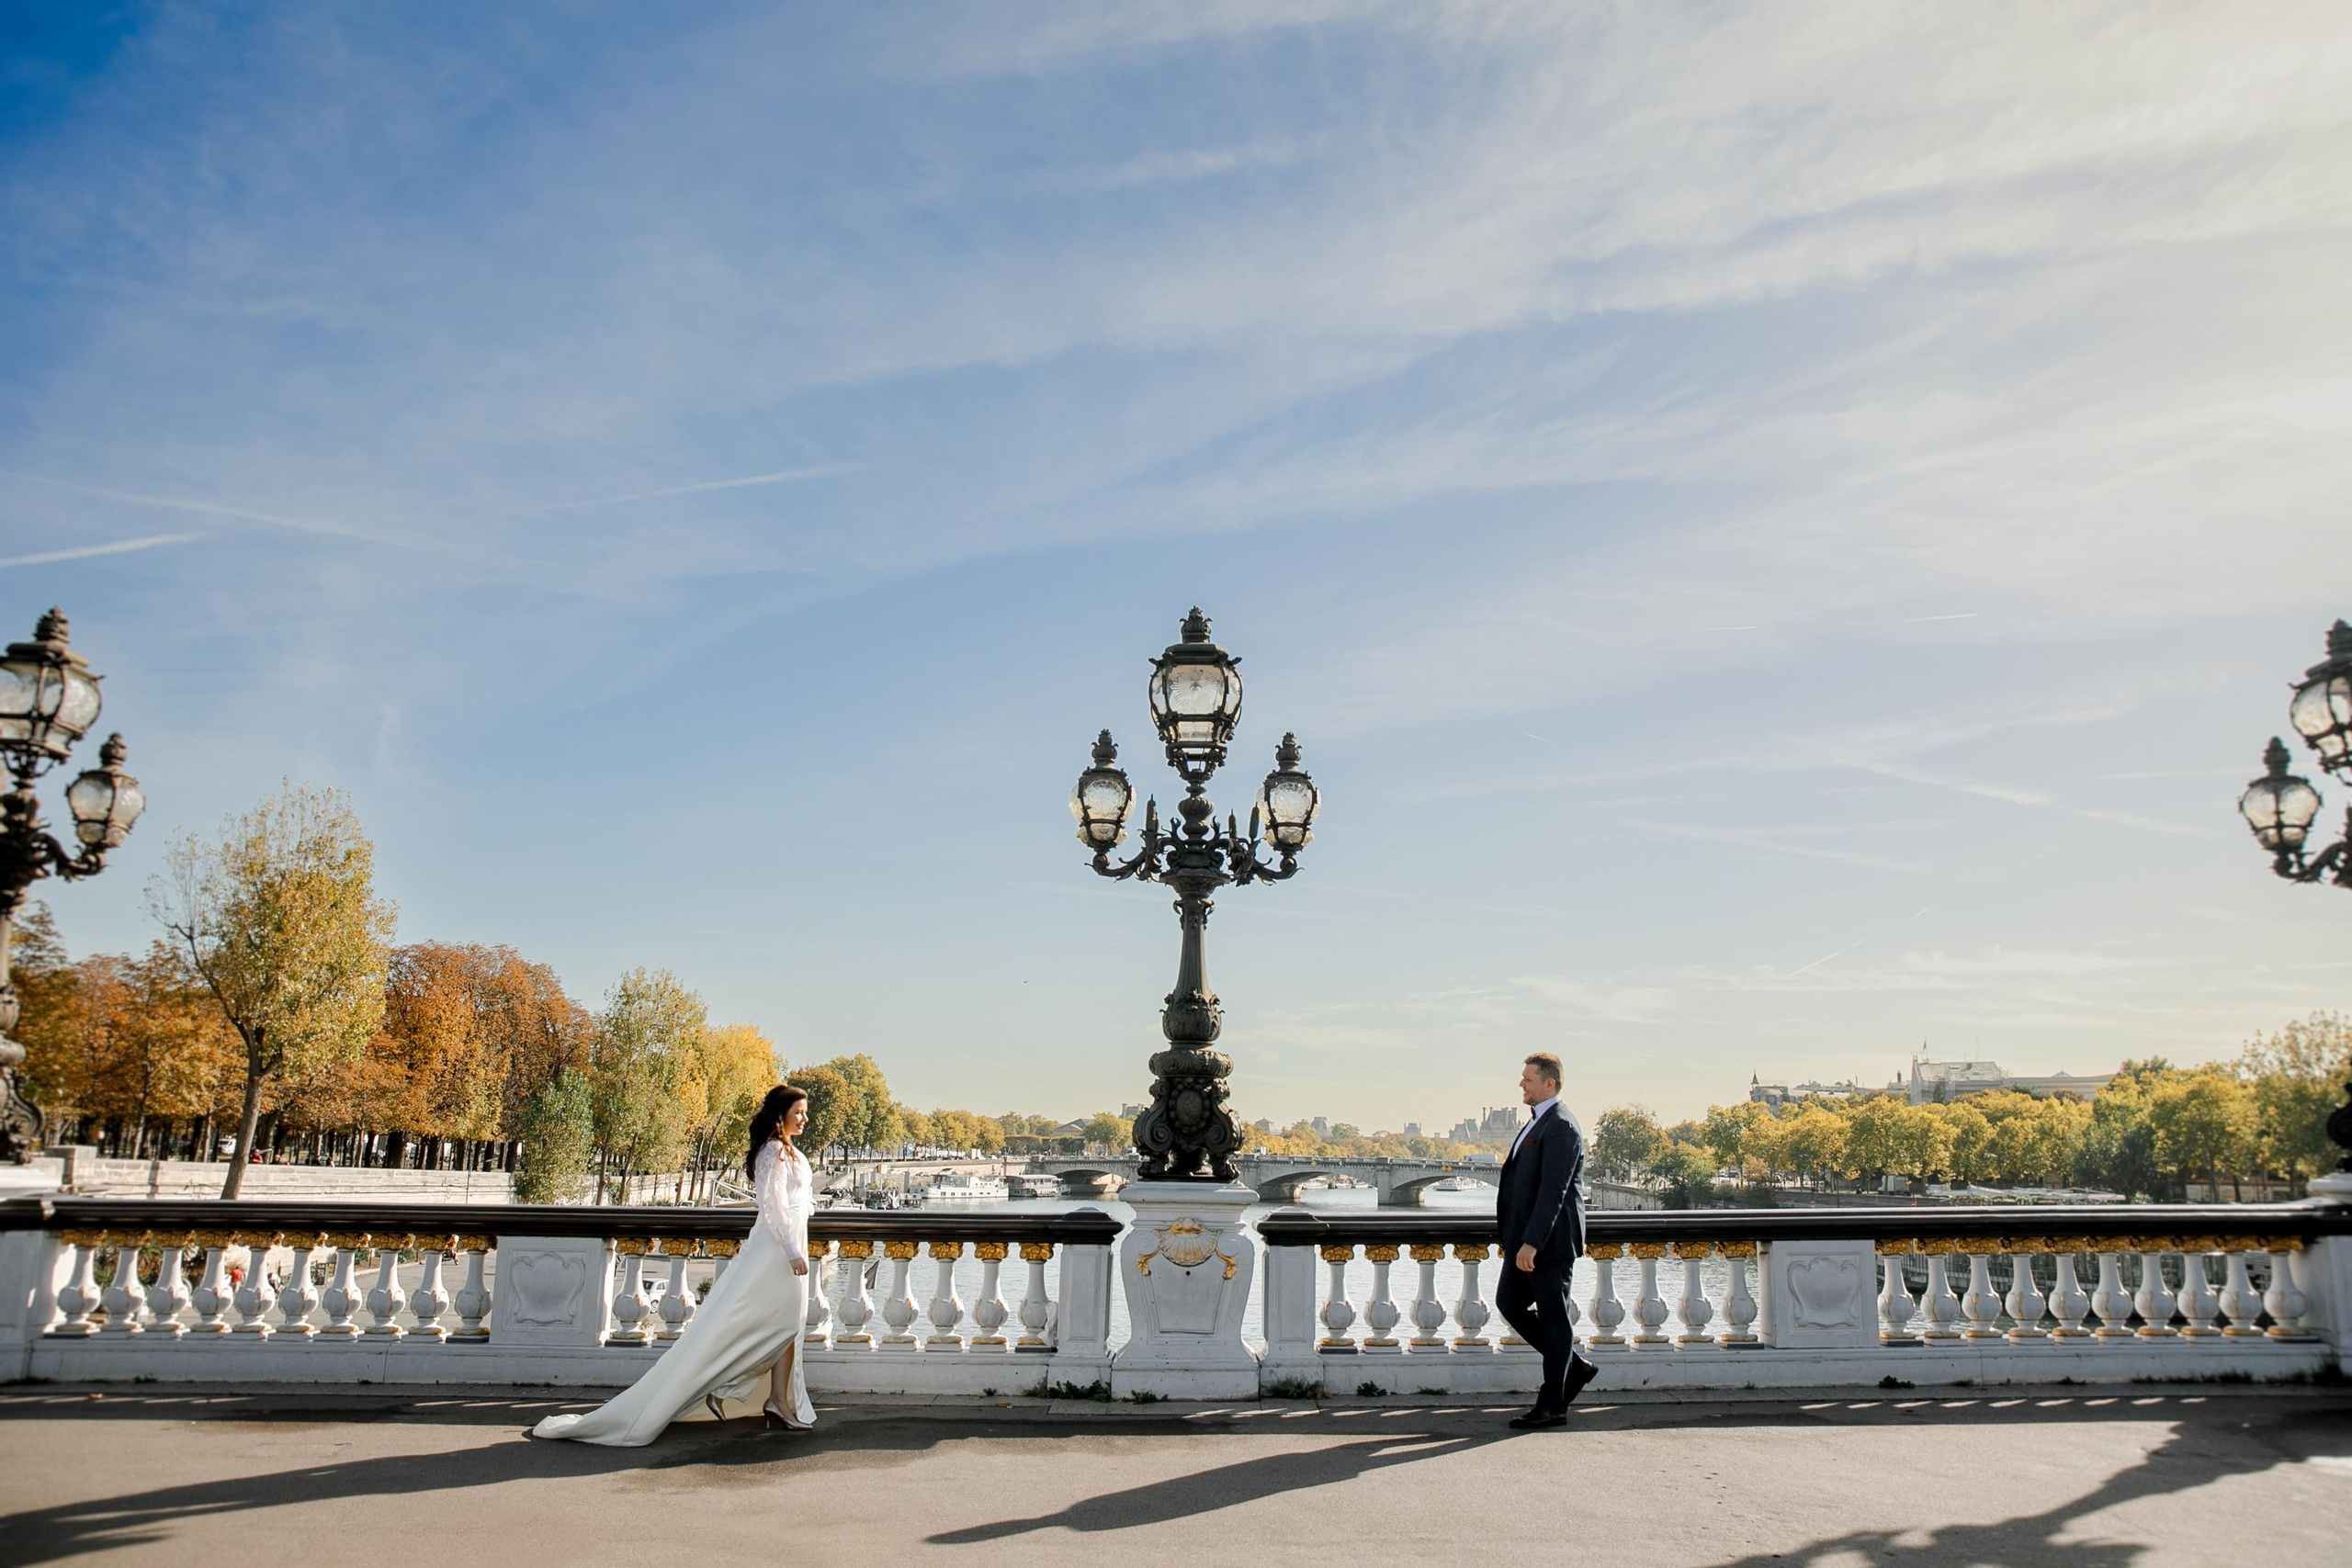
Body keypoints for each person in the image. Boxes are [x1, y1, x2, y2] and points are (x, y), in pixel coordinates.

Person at [531, 1083, 820, 1445]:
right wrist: (792, 1251)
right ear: (782, 1115)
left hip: (788, 1245)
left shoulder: (789, 1151)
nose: (805, 1118)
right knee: (766, 1325)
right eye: (799, 1112)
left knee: (784, 1327)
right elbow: (773, 1207)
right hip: (777, 1251)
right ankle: (738, 1388)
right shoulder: (774, 1151)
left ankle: (773, 1399)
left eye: (805, 1112)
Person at [1494, 1051, 1595, 1430]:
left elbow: (1554, 1191)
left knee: (1554, 1321)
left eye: (1528, 1078)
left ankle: (1553, 1404)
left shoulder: (1562, 1126)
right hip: (1525, 1240)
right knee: (1509, 1303)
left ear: (1549, 1083)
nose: (1522, 1083)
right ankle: (1576, 1367)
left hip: (1547, 1244)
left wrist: (1532, 1242)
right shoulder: (1540, 1122)